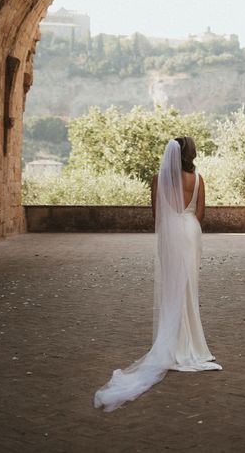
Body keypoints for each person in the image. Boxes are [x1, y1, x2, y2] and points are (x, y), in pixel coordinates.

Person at [93, 136, 222, 412]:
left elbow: (158, 215)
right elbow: (200, 214)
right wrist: (186, 225)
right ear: (191, 154)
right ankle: (192, 345)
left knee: (172, 288)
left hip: (171, 234)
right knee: (189, 289)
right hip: (191, 233)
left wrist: (172, 228)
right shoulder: (198, 179)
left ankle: (174, 343)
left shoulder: (158, 180)